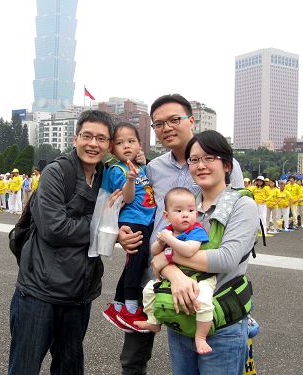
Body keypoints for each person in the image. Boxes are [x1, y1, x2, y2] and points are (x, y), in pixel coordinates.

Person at [117, 94, 245, 375]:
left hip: (204, 278)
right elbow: (139, 208)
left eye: (174, 120)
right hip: (154, 271)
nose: (167, 128)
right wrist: (120, 233)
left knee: (208, 349)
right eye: (159, 123)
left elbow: (232, 230)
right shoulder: (153, 168)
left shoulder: (226, 166)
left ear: (191, 120)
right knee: (134, 358)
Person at [8, 110, 115, 375]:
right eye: (87, 136)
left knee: (69, 368)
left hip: (79, 294)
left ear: (109, 145)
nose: (93, 144)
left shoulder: (107, 176)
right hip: (39, 291)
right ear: (74, 138)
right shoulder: (57, 172)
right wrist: (99, 225)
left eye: (101, 138)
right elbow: (54, 229)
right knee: (24, 367)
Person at [149, 131, 259, 374]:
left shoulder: (243, 205)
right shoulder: (188, 203)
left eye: (209, 158)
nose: (201, 165)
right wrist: (175, 275)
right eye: (194, 160)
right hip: (180, 317)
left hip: (221, 325)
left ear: (227, 165)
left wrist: (166, 258)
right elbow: (156, 246)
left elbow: (225, 259)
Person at [138, 187, 213, 355]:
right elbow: (154, 252)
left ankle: (201, 337)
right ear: (166, 216)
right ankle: (153, 321)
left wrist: (169, 240)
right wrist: (160, 241)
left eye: (191, 210)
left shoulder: (196, 230)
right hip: (175, 275)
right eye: (179, 210)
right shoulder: (169, 231)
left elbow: (189, 251)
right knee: (149, 290)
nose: (186, 214)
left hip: (200, 277)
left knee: (204, 301)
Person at [102, 122, 156, 333]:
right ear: (112, 148)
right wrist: (131, 180)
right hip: (132, 221)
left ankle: (117, 304)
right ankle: (131, 306)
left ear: (139, 145)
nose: (126, 146)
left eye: (131, 141)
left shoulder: (142, 167)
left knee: (138, 262)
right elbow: (127, 197)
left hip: (146, 221)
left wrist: (142, 164)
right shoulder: (118, 169)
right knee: (135, 263)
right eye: (120, 142)